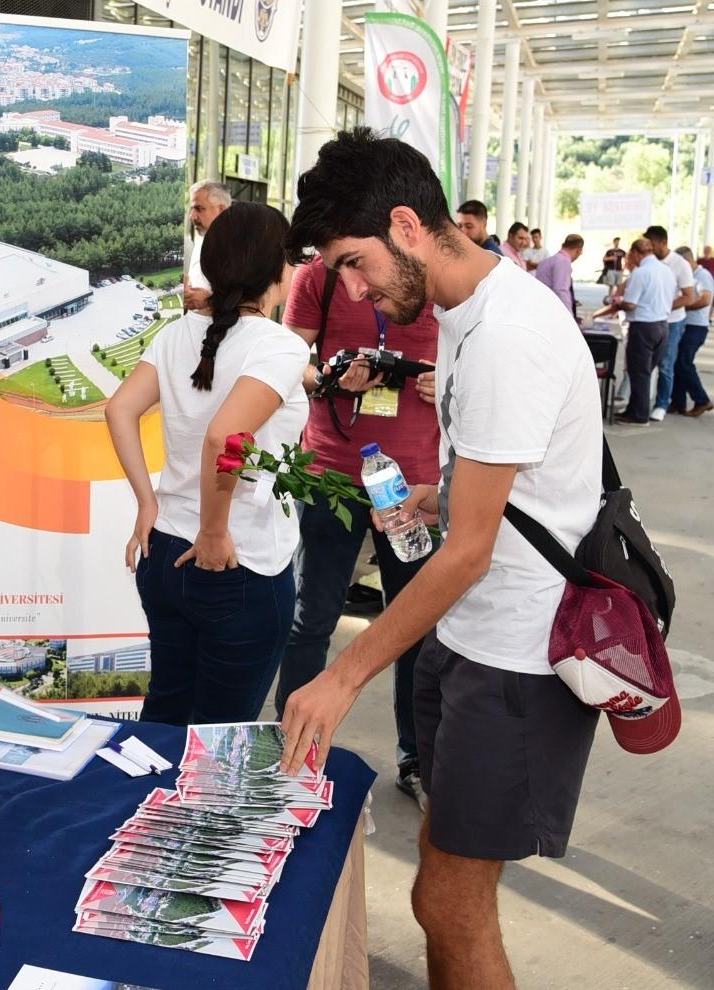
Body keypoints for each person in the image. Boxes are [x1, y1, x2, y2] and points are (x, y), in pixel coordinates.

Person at [283, 128, 604, 990]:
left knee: (454, 904)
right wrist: (442, 493)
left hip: (520, 655)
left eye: (355, 263)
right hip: (474, 637)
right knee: (437, 892)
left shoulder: (504, 333)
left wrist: (341, 675)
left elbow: (466, 557)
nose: (353, 289)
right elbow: (497, 495)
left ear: (406, 225)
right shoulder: (464, 312)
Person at [105, 203, 307, 727]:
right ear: (278, 270)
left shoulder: (177, 333)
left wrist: (148, 503)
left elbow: (119, 408)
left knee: (165, 720)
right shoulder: (278, 344)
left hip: (166, 552)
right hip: (237, 562)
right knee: (220, 739)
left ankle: (145, 810)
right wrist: (214, 531)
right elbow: (224, 435)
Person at [276, 253, 440, 811]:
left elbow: (485, 360)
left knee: (413, 624)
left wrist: (451, 383)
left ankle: (417, 760)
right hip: (333, 477)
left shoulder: (431, 274)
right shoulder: (317, 277)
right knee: (311, 619)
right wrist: (327, 375)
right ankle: (288, 749)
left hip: (414, 483)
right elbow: (288, 360)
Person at [593, 238, 675, 424]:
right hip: (662, 325)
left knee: (639, 372)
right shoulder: (666, 271)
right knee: (645, 371)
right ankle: (635, 408)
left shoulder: (641, 273)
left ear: (637, 253)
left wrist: (617, 304)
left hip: (643, 327)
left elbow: (630, 304)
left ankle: (639, 414)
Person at [645, 225, 699, 421]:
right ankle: (640, 403)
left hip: (672, 322)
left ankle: (661, 404)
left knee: (666, 364)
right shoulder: (648, 263)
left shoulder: (679, 264)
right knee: (645, 364)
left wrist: (665, 307)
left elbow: (689, 297)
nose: (650, 249)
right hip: (649, 321)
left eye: (652, 244)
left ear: (662, 242)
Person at [670, 245, 714, 416]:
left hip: (696, 326)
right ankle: (678, 402)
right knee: (677, 362)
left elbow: (704, 300)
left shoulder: (702, 276)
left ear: (687, 261)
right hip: (684, 324)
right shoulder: (688, 275)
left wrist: (682, 306)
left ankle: (702, 400)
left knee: (684, 362)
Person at [182, 180, 231, 314]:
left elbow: (253, 301)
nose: (192, 216)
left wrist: (209, 301)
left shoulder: (240, 248)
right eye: (192, 209)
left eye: (199, 209)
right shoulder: (200, 240)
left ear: (221, 209)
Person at [533, 234, 584, 319]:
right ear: (579, 250)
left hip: (540, 308)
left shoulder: (547, 261)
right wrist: (569, 318)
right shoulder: (563, 262)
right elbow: (561, 291)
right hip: (552, 311)